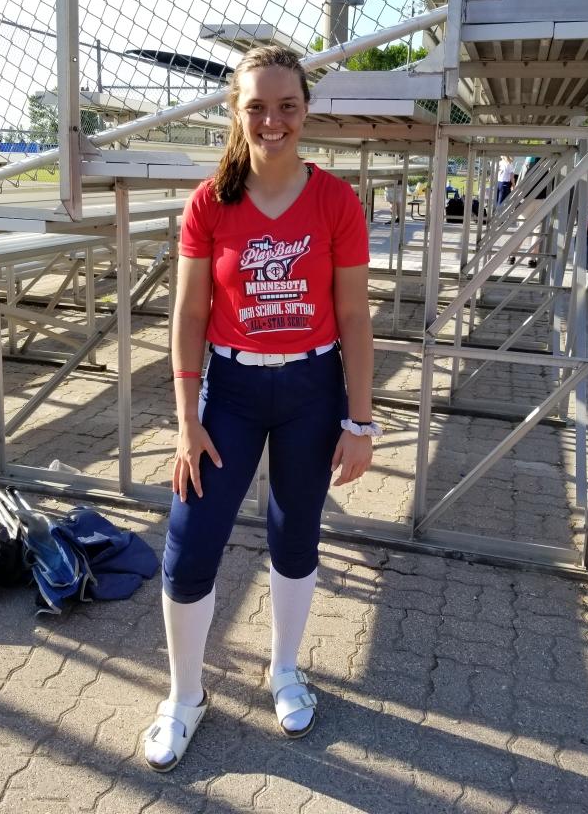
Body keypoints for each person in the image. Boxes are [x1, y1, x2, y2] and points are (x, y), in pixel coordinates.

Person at [144, 46, 377, 772]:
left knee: (294, 534)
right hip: (233, 392)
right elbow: (186, 316)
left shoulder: (335, 200)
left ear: (305, 110)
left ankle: (283, 671)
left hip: (311, 391)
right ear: (234, 112)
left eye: (287, 106)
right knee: (190, 542)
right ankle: (185, 697)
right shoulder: (210, 202)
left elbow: (355, 317)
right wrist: (187, 420)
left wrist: (361, 422)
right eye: (256, 107)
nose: (272, 120)